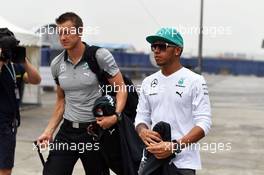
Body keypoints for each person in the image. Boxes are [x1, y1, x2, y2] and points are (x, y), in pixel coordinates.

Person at [37, 12, 127, 175]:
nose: (63, 37)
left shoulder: (99, 56)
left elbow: (121, 88)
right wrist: (48, 131)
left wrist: (115, 116)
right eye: (60, 33)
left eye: (67, 32)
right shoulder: (56, 64)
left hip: (94, 132)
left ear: (79, 32)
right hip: (67, 132)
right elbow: (60, 101)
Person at [135, 27, 212, 175]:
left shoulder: (195, 81)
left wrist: (175, 146)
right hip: (152, 159)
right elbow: (141, 116)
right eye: (154, 46)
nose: (156, 51)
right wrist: (142, 131)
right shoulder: (148, 82)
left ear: (177, 50)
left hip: (183, 163)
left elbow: (204, 122)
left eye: (162, 47)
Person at [0, 28, 41, 175]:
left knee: (5, 166)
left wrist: (24, 60)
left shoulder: (15, 66)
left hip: (7, 125)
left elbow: (36, 79)